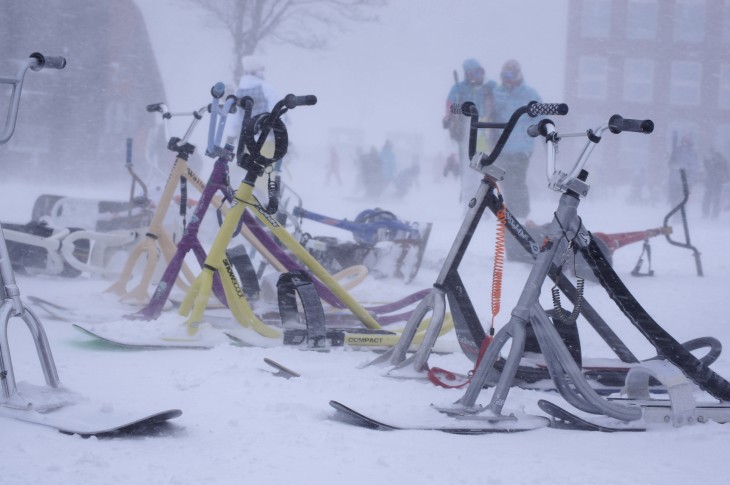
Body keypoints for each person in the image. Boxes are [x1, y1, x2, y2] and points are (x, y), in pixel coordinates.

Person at [490, 59, 541, 219]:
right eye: (504, 75)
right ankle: (510, 212)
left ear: (518, 75)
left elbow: (541, 117)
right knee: (505, 180)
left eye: (511, 74)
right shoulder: (498, 94)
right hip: (503, 146)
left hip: (521, 147)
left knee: (518, 180)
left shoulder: (530, 94)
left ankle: (522, 214)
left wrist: (535, 130)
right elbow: (492, 114)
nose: (507, 78)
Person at [443, 58, 495, 203]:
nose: (477, 76)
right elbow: (450, 105)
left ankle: (485, 201)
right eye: (473, 72)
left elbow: (500, 100)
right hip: (466, 129)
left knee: (484, 167)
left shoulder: (488, 88)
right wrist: (449, 119)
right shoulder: (459, 89)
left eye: (479, 72)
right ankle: (469, 203)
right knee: (469, 168)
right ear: (467, 73)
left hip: (485, 128)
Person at [667, 133, 700, 206]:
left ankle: (681, 215)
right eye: (684, 141)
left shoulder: (693, 153)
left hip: (685, 181)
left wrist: (690, 180)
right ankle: (675, 215)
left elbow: (694, 167)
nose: (685, 143)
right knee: (674, 201)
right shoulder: (676, 151)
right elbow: (671, 164)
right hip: (674, 181)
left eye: (687, 141)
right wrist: (673, 165)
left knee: (683, 201)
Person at [702, 150, 729, 219]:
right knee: (715, 199)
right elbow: (726, 173)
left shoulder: (713, 161)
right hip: (716, 183)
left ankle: (707, 214)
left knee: (708, 199)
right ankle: (714, 215)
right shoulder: (722, 161)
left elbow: (707, 169)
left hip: (712, 182)